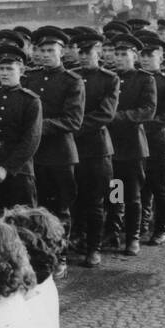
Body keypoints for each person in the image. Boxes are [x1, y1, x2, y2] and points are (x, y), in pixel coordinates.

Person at [23, 26, 85, 270]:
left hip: (59, 153)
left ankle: (59, 255)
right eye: (41, 50)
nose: (45, 54)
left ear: (61, 52)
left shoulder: (72, 81)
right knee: (36, 207)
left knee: (60, 208)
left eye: (51, 50)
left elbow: (73, 120)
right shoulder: (30, 78)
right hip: (33, 154)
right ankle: (38, 254)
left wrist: (36, 126)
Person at [69, 30, 119, 267]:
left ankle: (94, 247)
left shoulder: (109, 79)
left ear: (98, 52)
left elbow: (105, 114)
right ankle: (77, 239)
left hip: (97, 148)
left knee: (96, 201)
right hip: (71, 149)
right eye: (80, 52)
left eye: (88, 52)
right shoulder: (71, 77)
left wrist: (72, 127)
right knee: (74, 198)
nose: (84, 56)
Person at [107, 35, 156, 255]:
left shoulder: (145, 79)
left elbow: (147, 110)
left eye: (123, 54)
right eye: (116, 54)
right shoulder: (109, 78)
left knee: (133, 194)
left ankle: (132, 237)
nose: (118, 58)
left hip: (133, 145)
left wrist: (116, 117)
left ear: (134, 56)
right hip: (111, 145)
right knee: (114, 191)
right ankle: (114, 232)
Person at [0, 45, 43, 216]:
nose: (4, 73)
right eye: (1, 69)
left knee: (22, 221)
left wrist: (6, 168)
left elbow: (31, 140)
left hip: (19, 170)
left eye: (9, 69)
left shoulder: (31, 101)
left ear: (21, 70)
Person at [137, 33, 165, 246]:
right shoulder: (132, 79)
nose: (145, 59)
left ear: (160, 59)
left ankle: (161, 227)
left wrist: (141, 126)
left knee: (160, 187)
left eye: (150, 56)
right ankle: (139, 223)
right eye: (142, 55)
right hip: (132, 143)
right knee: (125, 186)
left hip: (157, 142)